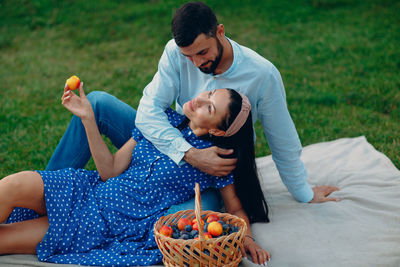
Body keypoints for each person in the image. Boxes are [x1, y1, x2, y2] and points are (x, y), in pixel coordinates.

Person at [46, 2, 339, 208]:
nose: (197, 63)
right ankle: (47, 194)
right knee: (97, 103)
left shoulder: (262, 74)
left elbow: (283, 140)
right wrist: (187, 153)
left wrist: (303, 193)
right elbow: (149, 111)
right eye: (189, 57)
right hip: (169, 144)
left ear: (220, 32)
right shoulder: (176, 52)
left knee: (184, 217)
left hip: (211, 174)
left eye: (202, 52)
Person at [1, 85, 270, 266]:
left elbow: (234, 208)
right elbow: (109, 170)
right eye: (209, 93)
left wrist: (247, 239)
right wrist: (87, 118)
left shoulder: (214, 160)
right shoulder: (161, 120)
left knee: (4, 239)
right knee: (11, 185)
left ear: (219, 132)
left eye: (209, 108)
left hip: (104, 225)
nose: (199, 99)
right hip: (88, 189)